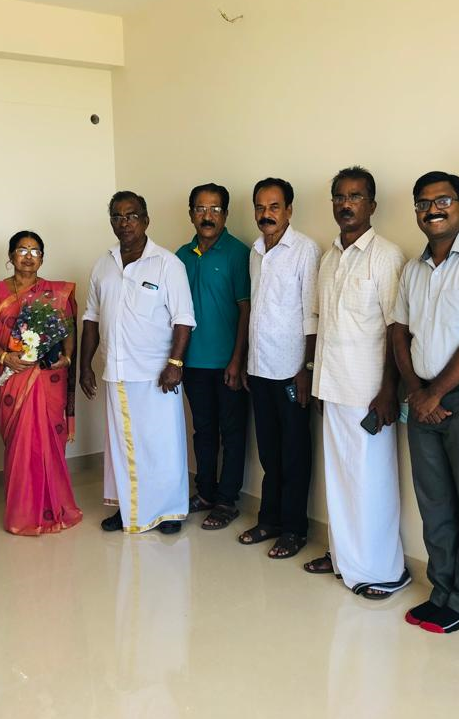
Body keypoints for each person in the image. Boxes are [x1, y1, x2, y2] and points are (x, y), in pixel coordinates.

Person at [391, 171, 459, 632]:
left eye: (443, 201)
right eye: (423, 203)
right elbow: (399, 332)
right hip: (420, 401)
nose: (433, 210)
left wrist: (433, 393)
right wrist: (416, 392)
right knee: (434, 504)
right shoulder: (411, 270)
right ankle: (441, 591)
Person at [306, 165, 409, 599]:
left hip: (369, 393)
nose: (345, 204)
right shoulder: (329, 258)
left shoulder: (386, 256)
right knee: (340, 480)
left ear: (372, 204)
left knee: (371, 482)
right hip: (333, 387)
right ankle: (345, 558)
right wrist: (316, 378)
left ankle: (385, 571)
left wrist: (389, 390)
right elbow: (321, 322)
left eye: (355, 196)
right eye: (339, 197)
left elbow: (396, 328)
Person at [79, 190, 195, 534]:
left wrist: (175, 363)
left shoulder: (167, 264)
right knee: (120, 443)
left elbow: (184, 319)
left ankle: (168, 511)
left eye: (131, 216)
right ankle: (126, 507)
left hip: (156, 373)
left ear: (145, 220)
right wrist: (84, 366)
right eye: (117, 217)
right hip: (116, 370)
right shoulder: (104, 264)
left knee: (160, 444)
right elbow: (91, 318)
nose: (124, 223)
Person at [0, 230, 82, 535]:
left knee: (49, 439)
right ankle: (22, 512)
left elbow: (68, 329)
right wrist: (4, 356)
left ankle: (55, 507)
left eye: (35, 251)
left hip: (49, 377)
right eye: (22, 250)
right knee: (19, 442)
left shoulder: (55, 292)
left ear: (42, 258)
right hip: (12, 374)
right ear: (11, 256)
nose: (28, 256)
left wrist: (67, 358)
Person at [238, 177, 319, 559]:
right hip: (260, 368)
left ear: (289, 210)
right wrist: (247, 361)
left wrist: (307, 367)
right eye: (260, 207)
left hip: (291, 371)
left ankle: (294, 529)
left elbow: (312, 314)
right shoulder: (256, 252)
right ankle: (269, 520)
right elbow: (256, 310)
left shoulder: (305, 250)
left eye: (274, 207)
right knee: (269, 454)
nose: (266, 214)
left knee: (294, 454)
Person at [175, 183, 251, 530]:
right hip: (192, 363)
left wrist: (237, 360)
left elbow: (245, 309)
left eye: (215, 209)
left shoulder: (238, 253)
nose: (208, 216)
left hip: (227, 363)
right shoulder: (181, 256)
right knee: (202, 431)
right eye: (201, 209)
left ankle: (226, 500)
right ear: (191, 213)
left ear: (226, 214)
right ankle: (205, 492)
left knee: (232, 434)